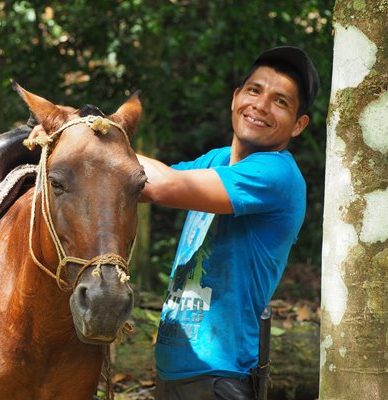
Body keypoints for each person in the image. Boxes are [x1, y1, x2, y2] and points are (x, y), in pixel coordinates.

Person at [136, 46, 320, 400]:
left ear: (299, 125)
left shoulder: (277, 174)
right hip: (173, 367)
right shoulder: (217, 160)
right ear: (236, 98)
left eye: (280, 102)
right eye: (254, 90)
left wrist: (87, 133)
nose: (261, 106)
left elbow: (163, 185)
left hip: (221, 378)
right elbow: (143, 185)